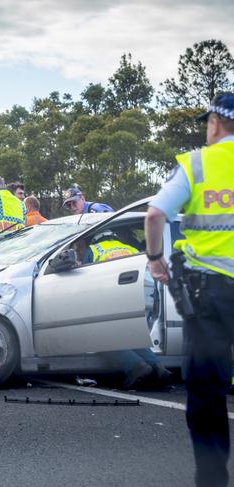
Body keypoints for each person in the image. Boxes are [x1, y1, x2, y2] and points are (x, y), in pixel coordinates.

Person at [145, 92, 234, 487]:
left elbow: (155, 213)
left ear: (216, 122)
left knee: (207, 389)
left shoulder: (198, 164)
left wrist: (155, 258)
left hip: (208, 293)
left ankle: (212, 479)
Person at [75, 232, 172, 389]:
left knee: (101, 338)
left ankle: (136, 368)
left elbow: (83, 280)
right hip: (145, 295)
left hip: (116, 295)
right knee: (133, 337)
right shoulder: (131, 249)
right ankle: (159, 369)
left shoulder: (93, 250)